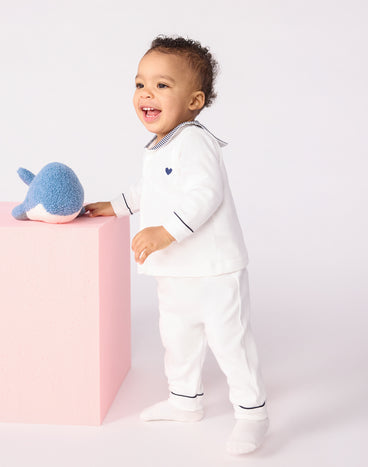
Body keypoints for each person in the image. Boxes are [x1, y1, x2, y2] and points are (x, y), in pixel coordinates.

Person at [85, 35, 269, 455]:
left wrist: (165, 232)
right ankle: (185, 401)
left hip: (213, 269)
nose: (146, 93)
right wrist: (114, 206)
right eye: (139, 84)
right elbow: (148, 191)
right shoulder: (159, 145)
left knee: (230, 340)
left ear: (194, 101)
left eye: (162, 85)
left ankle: (252, 414)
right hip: (175, 270)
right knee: (178, 337)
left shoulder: (194, 140)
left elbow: (206, 194)